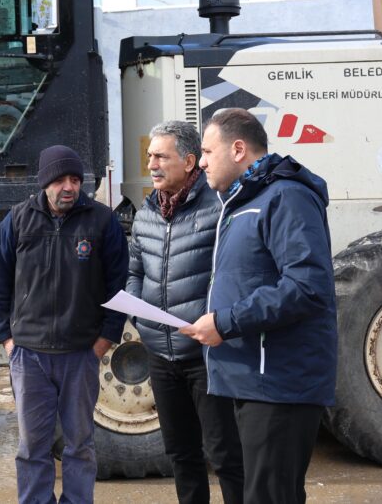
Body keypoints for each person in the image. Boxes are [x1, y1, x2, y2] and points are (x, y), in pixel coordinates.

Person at [181, 108, 337, 504]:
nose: (200, 162)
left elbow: (306, 286)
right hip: (253, 379)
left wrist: (226, 322)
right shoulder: (242, 202)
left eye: (206, 151)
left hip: (280, 384)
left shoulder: (286, 197)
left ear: (237, 149)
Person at [0, 144, 128, 504]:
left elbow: (118, 288)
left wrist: (102, 342)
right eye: (61, 179)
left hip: (80, 355)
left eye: (76, 180)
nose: (69, 187)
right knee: (32, 445)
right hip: (29, 356)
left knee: (80, 444)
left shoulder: (101, 221)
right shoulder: (18, 220)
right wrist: (6, 338)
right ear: (44, 181)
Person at [126, 120, 244, 504]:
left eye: (161, 156)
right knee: (181, 455)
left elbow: (234, 273)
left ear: (190, 161)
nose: (152, 165)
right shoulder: (145, 213)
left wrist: (216, 320)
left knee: (226, 455)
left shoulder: (218, 209)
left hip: (206, 355)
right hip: (161, 355)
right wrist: (137, 313)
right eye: (149, 157)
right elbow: (134, 270)